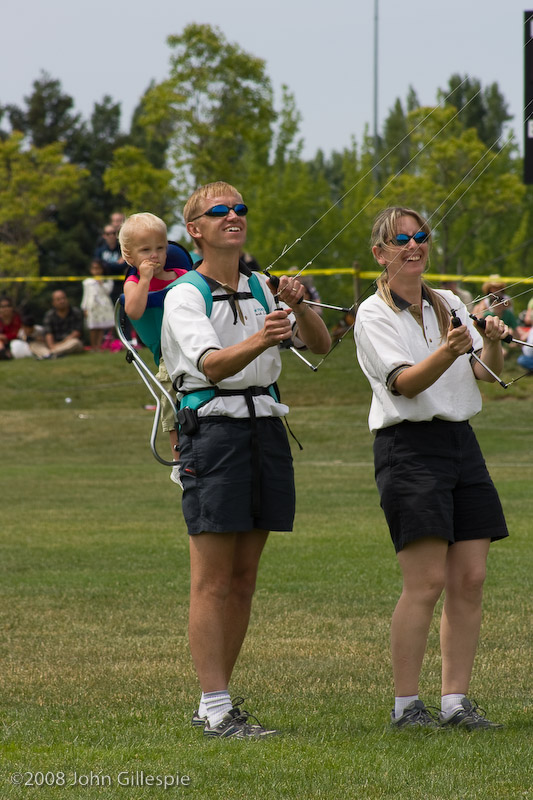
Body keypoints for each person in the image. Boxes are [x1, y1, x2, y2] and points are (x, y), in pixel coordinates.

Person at [160, 181, 330, 739]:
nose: (234, 216)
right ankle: (215, 706)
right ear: (197, 230)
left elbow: (320, 346)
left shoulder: (262, 286)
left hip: (266, 429)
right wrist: (263, 338)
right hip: (213, 434)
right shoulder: (185, 295)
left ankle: (216, 703)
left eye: (240, 209)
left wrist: (299, 308)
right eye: (219, 211)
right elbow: (211, 366)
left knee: (245, 577)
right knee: (211, 580)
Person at [354, 206, 509, 730]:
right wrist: (449, 350)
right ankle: (406, 706)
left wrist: (489, 339)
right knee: (425, 583)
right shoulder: (372, 315)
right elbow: (405, 383)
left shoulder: (449, 302)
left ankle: (455, 702)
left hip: (461, 442)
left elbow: (488, 374)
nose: (414, 246)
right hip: (408, 448)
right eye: (401, 240)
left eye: (421, 237)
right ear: (380, 253)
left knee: (471, 577)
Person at [120, 213, 190, 485]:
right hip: (168, 353)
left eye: (160, 248)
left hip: (195, 346)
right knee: (172, 398)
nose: (155, 255)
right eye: (145, 250)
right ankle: (179, 460)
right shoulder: (135, 282)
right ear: (130, 256)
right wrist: (146, 279)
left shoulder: (184, 275)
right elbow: (133, 309)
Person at [80, 259, 115, 351]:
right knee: (93, 327)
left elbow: (108, 291)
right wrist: (84, 308)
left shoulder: (107, 280)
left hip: (103, 306)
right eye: (94, 268)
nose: (96, 271)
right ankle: (93, 346)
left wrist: (101, 283)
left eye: (98, 268)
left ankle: (99, 346)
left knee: (100, 326)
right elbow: (86, 295)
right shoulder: (87, 282)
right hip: (92, 306)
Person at [43, 290, 85, 357]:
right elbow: (48, 333)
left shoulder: (76, 312)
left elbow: (77, 332)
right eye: (58, 299)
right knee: (34, 344)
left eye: (63, 298)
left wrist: (61, 344)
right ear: (53, 303)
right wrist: (51, 346)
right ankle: (53, 353)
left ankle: (49, 353)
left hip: (69, 342)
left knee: (75, 343)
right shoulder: (49, 315)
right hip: (54, 344)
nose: (62, 301)